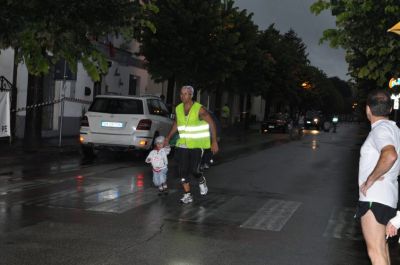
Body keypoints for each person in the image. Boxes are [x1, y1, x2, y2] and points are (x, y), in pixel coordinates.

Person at [354, 89, 400, 265]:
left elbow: (390, 155)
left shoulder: (379, 130)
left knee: (376, 255)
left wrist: (371, 179)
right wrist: (384, 172)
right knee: (383, 253)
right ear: (389, 109)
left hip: (374, 200)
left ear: (367, 109)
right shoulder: (395, 131)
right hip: (388, 199)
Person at [164, 85, 219, 204]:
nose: (183, 96)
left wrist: (214, 141)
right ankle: (187, 195)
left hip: (197, 145)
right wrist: (168, 137)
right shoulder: (178, 108)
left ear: (191, 95)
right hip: (183, 144)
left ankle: (201, 180)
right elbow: (177, 124)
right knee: (182, 172)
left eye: (185, 94)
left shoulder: (199, 109)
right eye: (181, 94)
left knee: (194, 170)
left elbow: (211, 124)